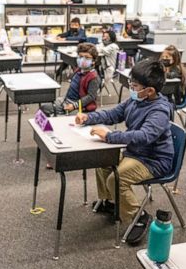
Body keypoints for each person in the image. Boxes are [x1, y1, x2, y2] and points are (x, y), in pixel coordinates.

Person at [75, 60, 174, 245]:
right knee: (102, 160)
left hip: (153, 160)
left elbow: (144, 136)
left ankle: (139, 216)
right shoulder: (136, 101)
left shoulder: (160, 110)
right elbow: (113, 114)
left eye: (134, 86)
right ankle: (113, 203)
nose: (131, 88)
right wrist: (89, 117)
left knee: (116, 179)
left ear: (150, 91)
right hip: (135, 153)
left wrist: (110, 137)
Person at [40, 43, 100, 116]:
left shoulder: (93, 76)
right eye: (80, 57)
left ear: (93, 61)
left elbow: (91, 96)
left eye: (87, 58)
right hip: (66, 101)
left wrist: (74, 106)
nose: (82, 60)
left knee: (65, 122)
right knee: (44, 107)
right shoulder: (78, 70)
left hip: (81, 108)